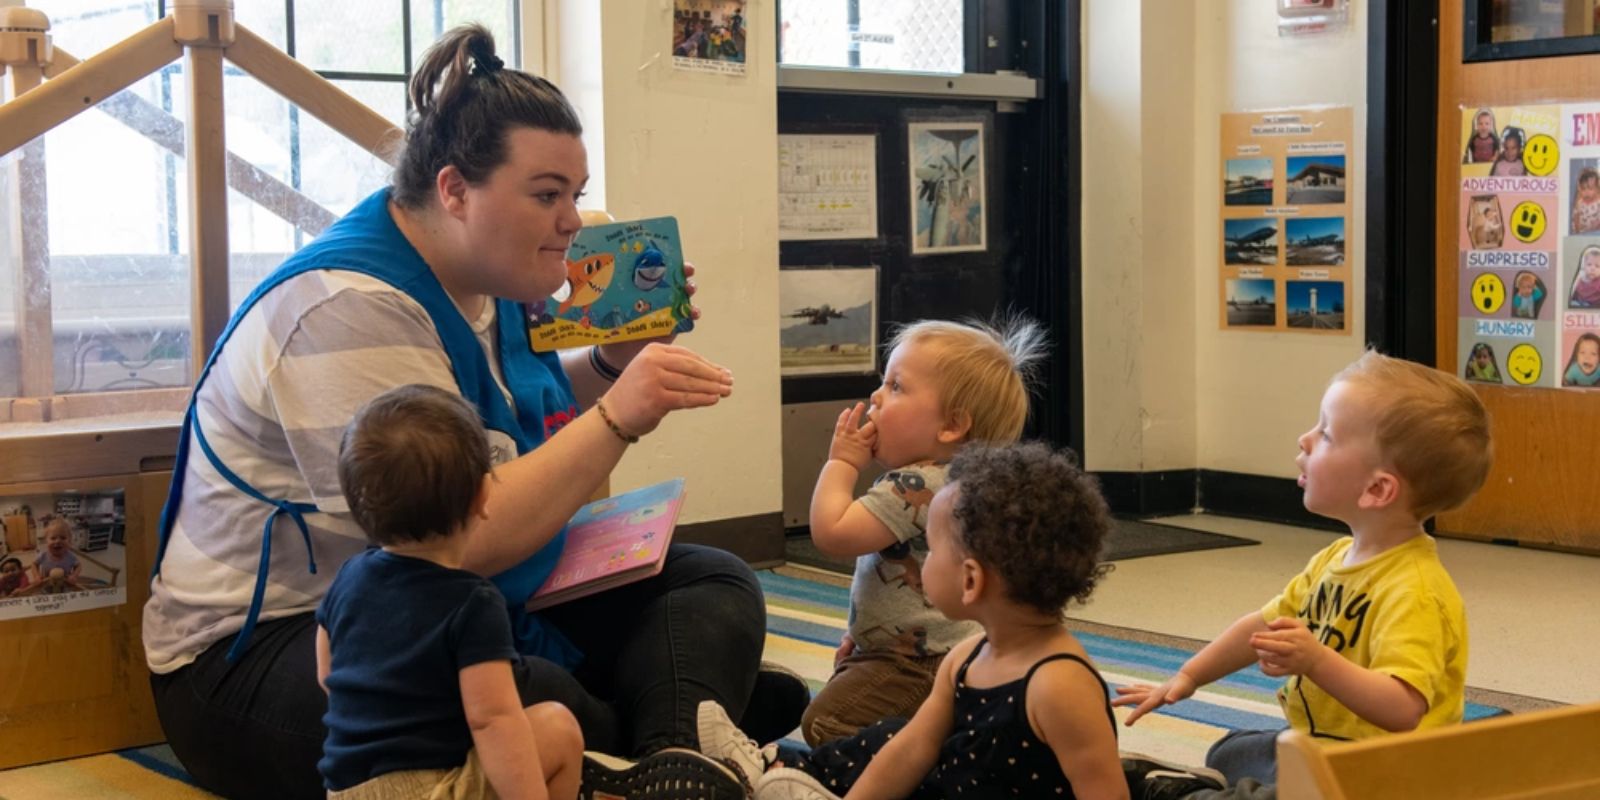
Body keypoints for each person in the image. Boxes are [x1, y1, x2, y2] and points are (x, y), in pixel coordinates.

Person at [142, 25, 802, 800]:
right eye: (546, 195)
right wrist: (622, 417)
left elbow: (503, 404)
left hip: (448, 595)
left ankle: (665, 753)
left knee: (713, 580)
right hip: (268, 653)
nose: (571, 220)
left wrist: (612, 363)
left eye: (575, 194)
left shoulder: (487, 273)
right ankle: (672, 713)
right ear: (454, 190)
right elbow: (466, 532)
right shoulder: (347, 310)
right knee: (532, 697)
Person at [700, 442, 1182, 800]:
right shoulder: (966, 656)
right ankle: (779, 769)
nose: (923, 563)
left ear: (971, 581)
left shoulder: (1060, 685)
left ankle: (783, 779)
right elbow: (910, 750)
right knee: (887, 736)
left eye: (931, 550)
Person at [1114, 351, 1492, 799]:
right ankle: (1234, 783)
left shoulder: (1416, 591)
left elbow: (1403, 709)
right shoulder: (1335, 557)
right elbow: (1260, 627)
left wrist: (1315, 661)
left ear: (1377, 489)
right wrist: (1188, 677)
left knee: (1280, 783)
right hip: (1327, 752)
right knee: (1231, 750)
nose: (1306, 439)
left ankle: (1184, 793)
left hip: (1387, 777)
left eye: (1327, 434)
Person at [317, 385, 583, 799]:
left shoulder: (348, 578)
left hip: (346, 790)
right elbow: (493, 720)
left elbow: (328, 675)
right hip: (429, 790)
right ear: (482, 496)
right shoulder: (473, 603)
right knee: (557, 727)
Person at [800, 318, 1045, 746]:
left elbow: (832, 534)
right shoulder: (961, 480)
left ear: (951, 425)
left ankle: (924, 761)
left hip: (921, 663)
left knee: (827, 724)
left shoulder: (917, 486)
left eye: (896, 386)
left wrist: (841, 463)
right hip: (931, 650)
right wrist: (862, 635)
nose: (876, 395)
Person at [31, 518, 83, 591]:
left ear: (69, 540)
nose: (58, 541)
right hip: (46, 586)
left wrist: (74, 576)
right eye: (53, 538)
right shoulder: (43, 555)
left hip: (65, 586)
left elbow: (78, 566)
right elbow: (34, 564)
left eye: (63, 538)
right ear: (46, 540)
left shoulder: (70, 556)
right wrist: (36, 576)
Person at [1572, 167, 1600, 234]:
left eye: (1590, 189)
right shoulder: (1579, 203)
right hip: (1582, 233)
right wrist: (1577, 231)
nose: (1586, 192)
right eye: (1583, 189)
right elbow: (1576, 218)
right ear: (1580, 189)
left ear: (1597, 189)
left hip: (1596, 233)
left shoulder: (1598, 202)